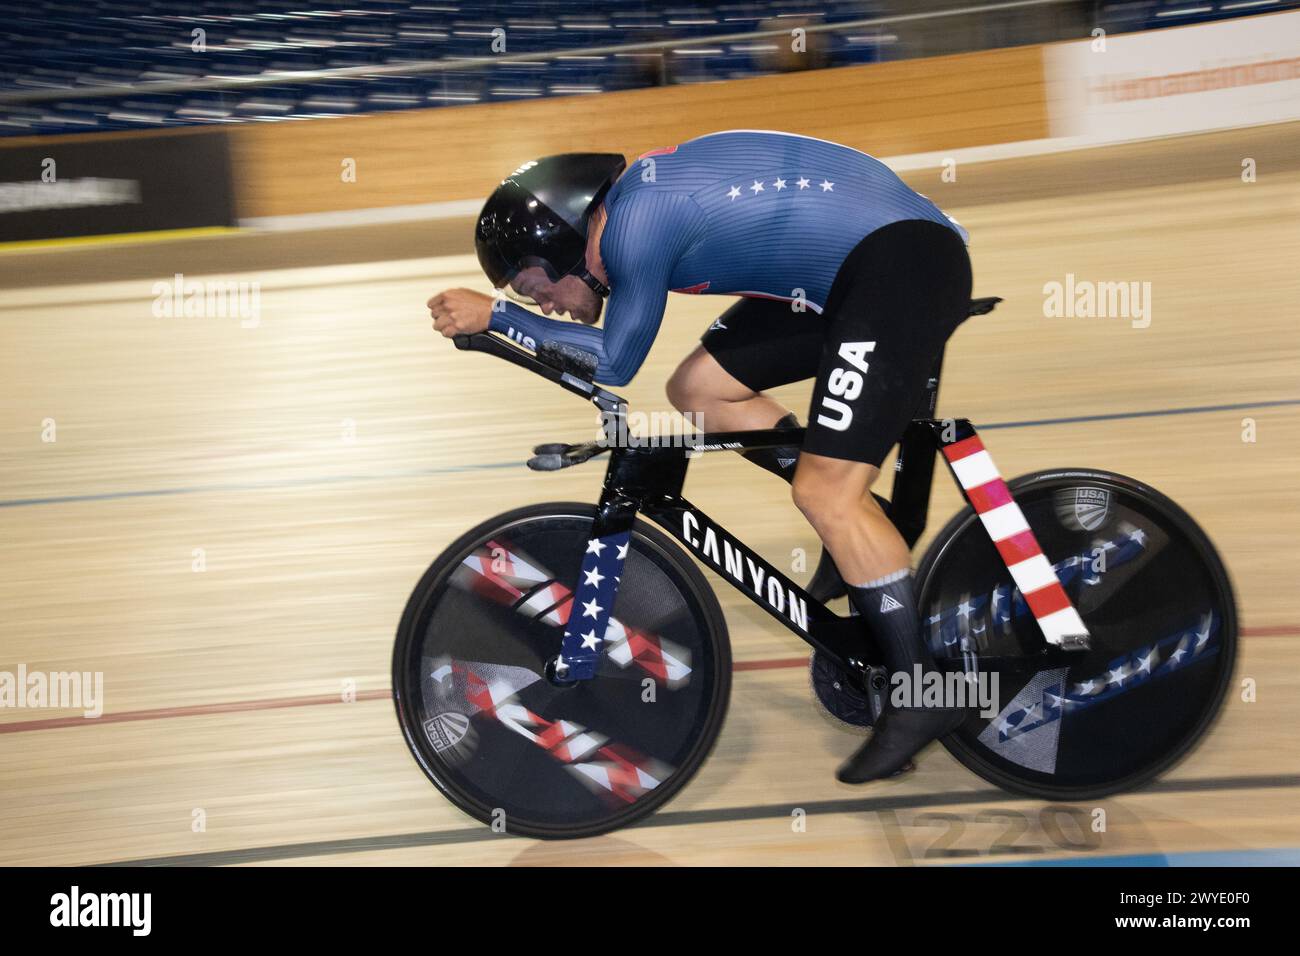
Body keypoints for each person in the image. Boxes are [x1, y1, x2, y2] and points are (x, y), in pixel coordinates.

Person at [427, 130, 973, 783]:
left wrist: (496, 317)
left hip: (902, 263)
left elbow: (616, 361)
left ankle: (921, 695)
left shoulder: (635, 225)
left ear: (566, 240)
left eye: (530, 283)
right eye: (522, 297)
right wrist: (503, 318)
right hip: (857, 269)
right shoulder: (635, 209)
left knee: (827, 494)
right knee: (697, 390)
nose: (538, 302)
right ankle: (862, 518)